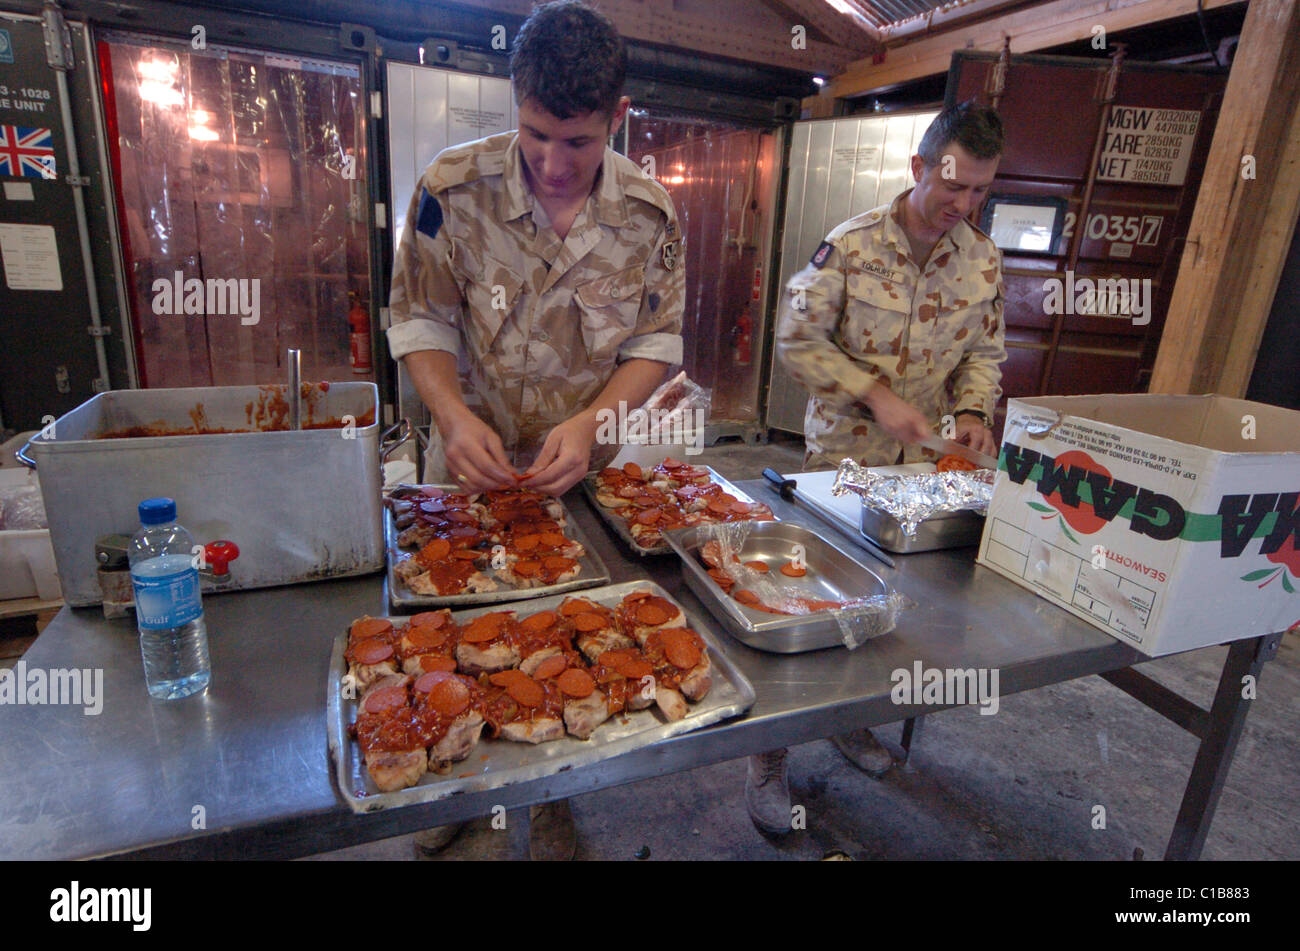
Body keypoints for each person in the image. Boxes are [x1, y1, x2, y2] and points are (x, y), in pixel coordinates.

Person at [386, 0, 684, 858]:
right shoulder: (450, 189)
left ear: (616, 119)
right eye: (535, 135)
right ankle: (449, 782)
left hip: (578, 476)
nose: (554, 164)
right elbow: (421, 321)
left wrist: (593, 422)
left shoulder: (653, 215)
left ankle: (556, 796)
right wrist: (451, 413)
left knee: (572, 639)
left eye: (579, 142)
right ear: (513, 102)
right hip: (466, 474)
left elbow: (655, 346)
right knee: (450, 642)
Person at [747, 102, 1007, 836]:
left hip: (922, 481)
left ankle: (853, 722)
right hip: (840, 469)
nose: (964, 204)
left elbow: (984, 354)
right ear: (919, 167)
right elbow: (794, 339)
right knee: (810, 608)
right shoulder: (852, 246)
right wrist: (872, 392)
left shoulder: (981, 259)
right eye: (954, 184)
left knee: (895, 618)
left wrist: (974, 413)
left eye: (982, 191)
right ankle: (769, 755)